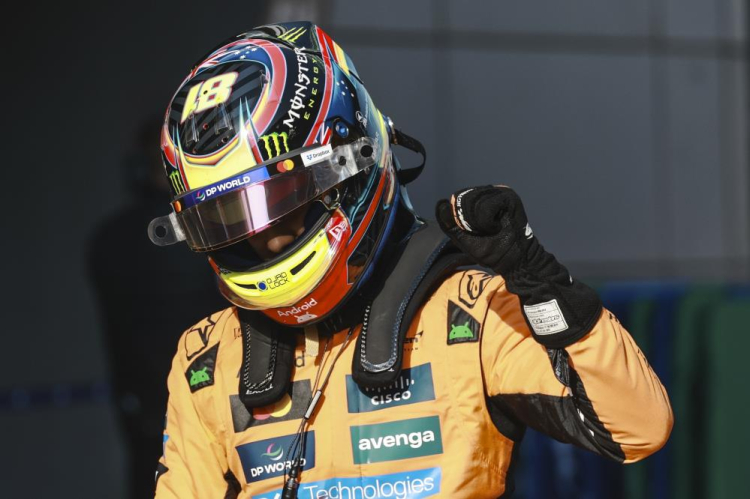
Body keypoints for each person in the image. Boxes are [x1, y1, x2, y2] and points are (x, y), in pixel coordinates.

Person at [148, 22, 672, 499]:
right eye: (228, 222)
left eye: (282, 204)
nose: (267, 239)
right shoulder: (208, 358)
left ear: (349, 163)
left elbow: (637, 427)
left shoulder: (470, 311)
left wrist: (537, 278)